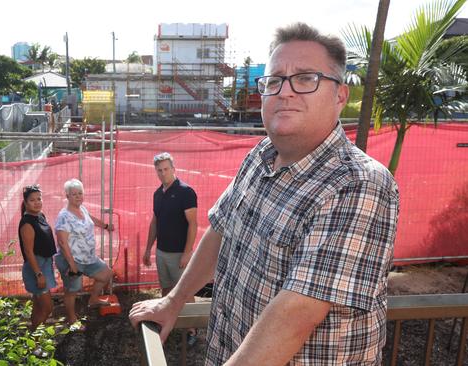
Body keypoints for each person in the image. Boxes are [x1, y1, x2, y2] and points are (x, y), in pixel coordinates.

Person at [130, 22, 400, 365]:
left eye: (305, 78)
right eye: (274, 81)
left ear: (340, 95)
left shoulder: (359, 184)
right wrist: (173, 301)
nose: (284, 92)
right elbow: (220, 230)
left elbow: (296, 313)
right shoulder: (260, 156)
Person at [143, 152, 198, 344]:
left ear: (173, 169)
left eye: (166, 169)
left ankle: (192, 329)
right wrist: (148, 248)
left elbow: (193, 224)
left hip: (179, 254)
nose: (163, 173)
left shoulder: (186, 192)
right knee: (166, 288)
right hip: (161, 252)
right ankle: (167, 320)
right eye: (159, 170)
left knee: (184, 290)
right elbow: (155, 222)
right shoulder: (157, 194)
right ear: (156, 172)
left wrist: (187, 252)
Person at [55, 178, 114, 326]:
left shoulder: (82, 208)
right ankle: (72, 319)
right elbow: (62, 242)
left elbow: (91, 219)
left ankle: (93, 299)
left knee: (106, 274)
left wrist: (105, 226)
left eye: (80, 193)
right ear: (67, 196)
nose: (78, 196)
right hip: (73, 260)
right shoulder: (64, 216)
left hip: (88, 257)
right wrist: (72, 265)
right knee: (71, 291)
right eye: (74, 194)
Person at [18, 184, 57, 330]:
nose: (37, 202)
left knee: (39, 307)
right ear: (26, 203)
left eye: (39, 199)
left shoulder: (40, 216)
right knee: (47, 308)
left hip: (45, 264)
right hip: (36, 268)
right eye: (33, 200)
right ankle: (34, 337)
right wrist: (39, 274)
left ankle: (33, 339)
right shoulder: (27, 223)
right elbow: (28, 252)